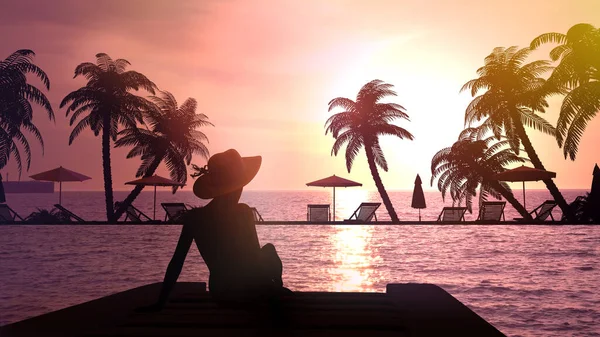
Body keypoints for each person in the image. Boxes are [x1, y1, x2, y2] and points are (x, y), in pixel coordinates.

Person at [140, 149, 289, 311]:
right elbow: (254, 259)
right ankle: (276, 289)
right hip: (249, 289)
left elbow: (177, 262)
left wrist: (160, 303)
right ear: (236, 187)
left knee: (267, 255)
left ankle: (273, 291)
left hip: (221, 293)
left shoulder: (194, 218)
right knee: (269, 250)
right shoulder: (243, 213)